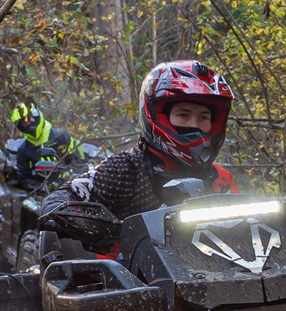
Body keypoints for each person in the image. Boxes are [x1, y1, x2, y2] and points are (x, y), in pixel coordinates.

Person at [87, 59, 240, 221]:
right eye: (184, 115)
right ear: (159, 117)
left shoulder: (221, 180)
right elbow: (70, 199)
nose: (194, 125)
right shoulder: (123, 169)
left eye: (203, 117)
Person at [8, 101, 77, 181]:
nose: (28, 123)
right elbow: (24, 178)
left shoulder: (61, 136)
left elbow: (77, 160)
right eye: (24, 122)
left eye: (29, 118)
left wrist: (69, 174)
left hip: (69, 184)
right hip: (43, 187)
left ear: (35, 115)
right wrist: (40, 187)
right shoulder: (23, 150)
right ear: (20, 125)